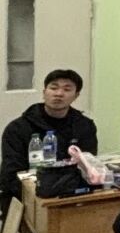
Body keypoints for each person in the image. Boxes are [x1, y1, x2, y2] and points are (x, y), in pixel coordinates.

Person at [2, 69, 98, 212]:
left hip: (71, 195)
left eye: (67, 89)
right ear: (44, 92)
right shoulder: (18, 128)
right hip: (28, 197)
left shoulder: (84, 126)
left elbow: (88, 165)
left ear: (76, 95)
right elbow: (11, 174)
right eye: (53, 88)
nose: (59, 93)